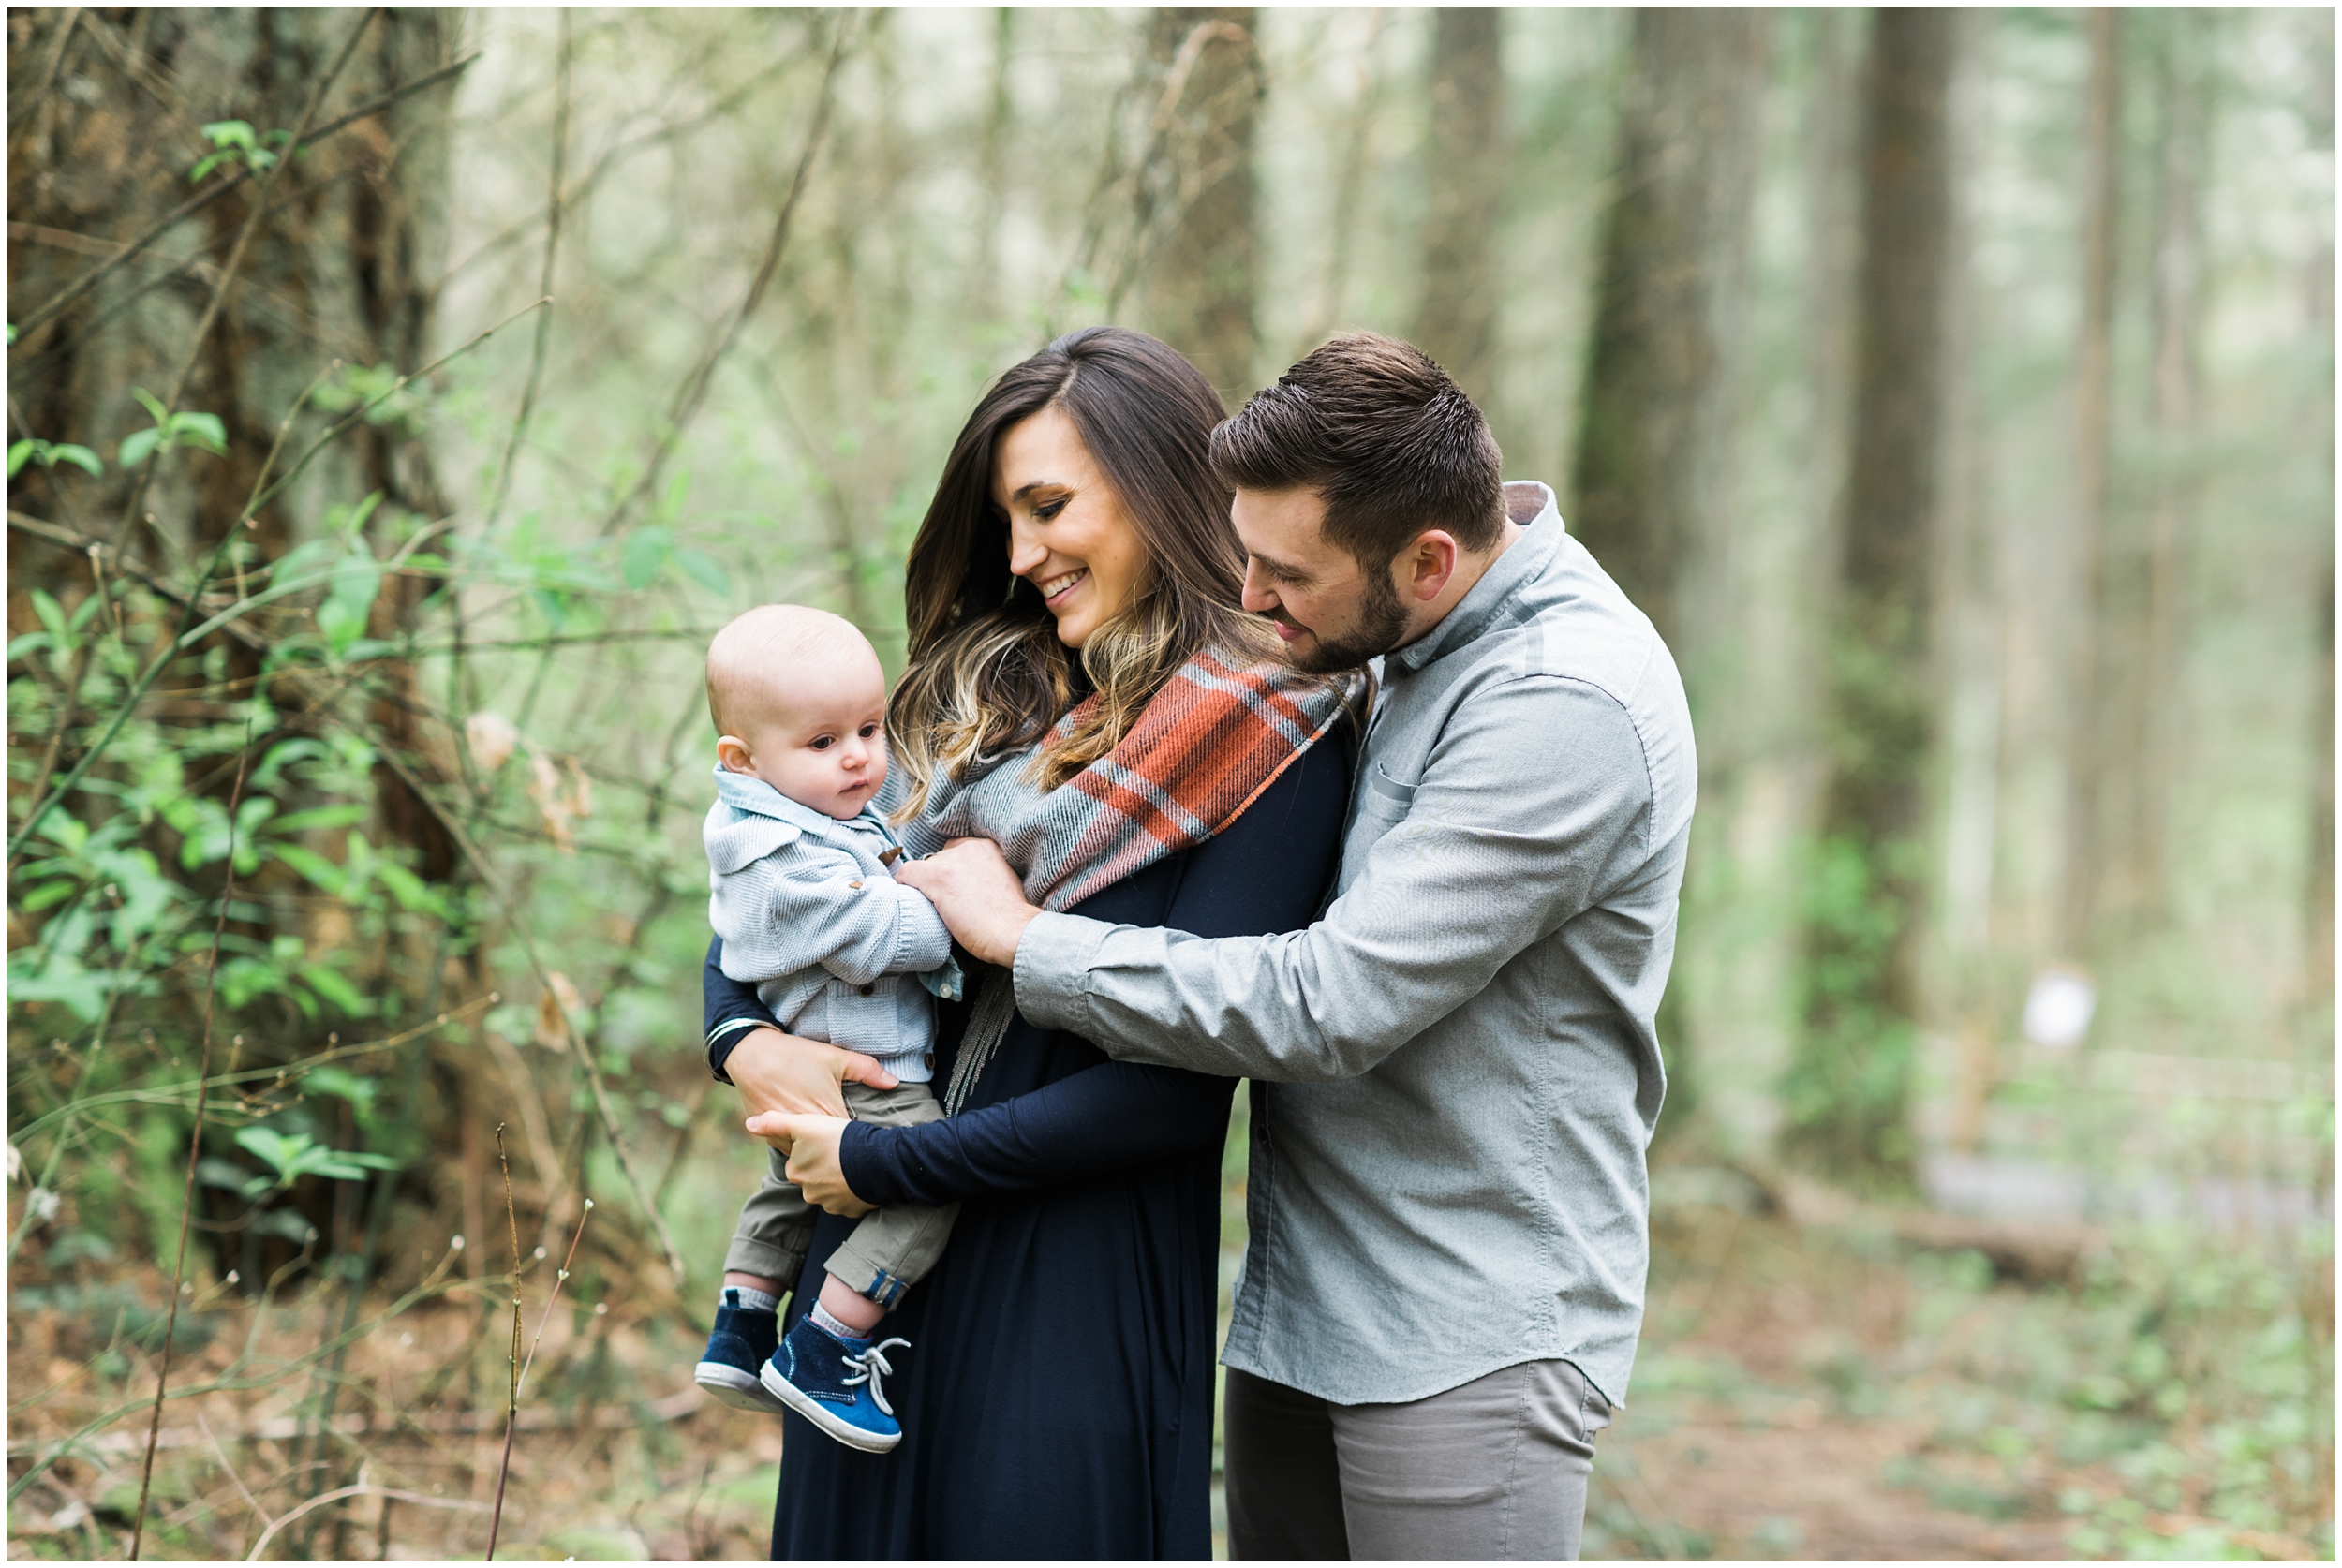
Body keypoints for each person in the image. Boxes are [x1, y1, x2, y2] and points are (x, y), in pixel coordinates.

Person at [897, 332, 1698, 1561]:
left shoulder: (1562, 701)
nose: (1252, 601)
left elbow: (1331, 1002)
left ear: (1426, 561)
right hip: (1302, 1304)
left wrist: (1029, 939)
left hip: (1465, 1333)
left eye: (1285, 574)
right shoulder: (1390, 640)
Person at [702, 326, 1356, 1559]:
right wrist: (740, 1040)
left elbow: (1170, 1099)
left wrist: (893, 1168)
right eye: (1005, 519)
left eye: (1050, 505)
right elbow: (775, 882)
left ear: (1163, 483)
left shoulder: (1273, 735)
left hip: (1069, 1276)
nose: (1020, 554)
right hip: (869, 1260)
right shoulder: (980, 710)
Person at [689, 603, 965, 1454]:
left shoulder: (801, 818)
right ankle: (828, 1343)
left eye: (870, 729)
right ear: (743, 759)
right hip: (865, 1071)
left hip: (820, 1061)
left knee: (785, 1187)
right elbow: (881, 936)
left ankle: (741, 1327)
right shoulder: (782, 859)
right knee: (930, 1186)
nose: (859, 757)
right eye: (823, 742)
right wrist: (959, 905)